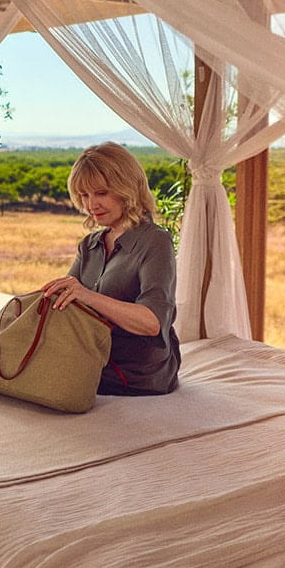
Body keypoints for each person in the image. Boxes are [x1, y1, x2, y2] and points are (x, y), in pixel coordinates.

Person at [41, 142, 181, 395]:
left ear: (127, 190)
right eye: (84, 195)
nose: (91, 204)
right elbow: (68, 305)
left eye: (101, 193)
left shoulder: (155, 241)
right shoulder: (89, 245)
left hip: (138, 374)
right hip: (92, 361)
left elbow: (152, 322)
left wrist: (87, 296)